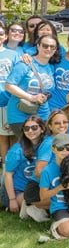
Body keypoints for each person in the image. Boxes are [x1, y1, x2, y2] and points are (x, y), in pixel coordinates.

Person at [4, 34, 58, 137]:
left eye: (52, 47)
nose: (49, 49)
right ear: (38, 46)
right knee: (28, 145)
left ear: (55, 49)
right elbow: (9, 85)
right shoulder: (25, 63)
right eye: (45, 46)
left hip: (42, 114)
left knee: (44, 144)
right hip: (20, 114)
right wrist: (31, 97)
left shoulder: (51, 67)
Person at [2, 115, 45, 216]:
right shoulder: (17, 150)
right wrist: (12, 199)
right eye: (26, 128)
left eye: (34, 127)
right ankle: (30, 208)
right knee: (40, 203)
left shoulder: (46, 146)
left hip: (36, 188)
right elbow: (8, 175)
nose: (30, 131)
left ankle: (32, 208)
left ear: (42, 129)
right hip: (16, 190)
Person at [0, 23, 21, 164]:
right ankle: (4, 164)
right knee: (1, 136)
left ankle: (13, 164)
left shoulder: (13, 55)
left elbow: (19, 77)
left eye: (1, 34)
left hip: (9, 100)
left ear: (5, 37)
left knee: (13, 134)